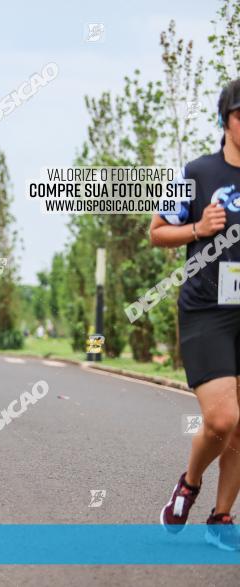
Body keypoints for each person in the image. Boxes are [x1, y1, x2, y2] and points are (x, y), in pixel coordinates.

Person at [152, 79, 240, 551]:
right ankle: (189, 484)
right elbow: (157, 232)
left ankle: (221, 518)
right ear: (225, 118)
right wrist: (198, 228)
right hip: (207, 309)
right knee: (223, 419)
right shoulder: (196, 171)